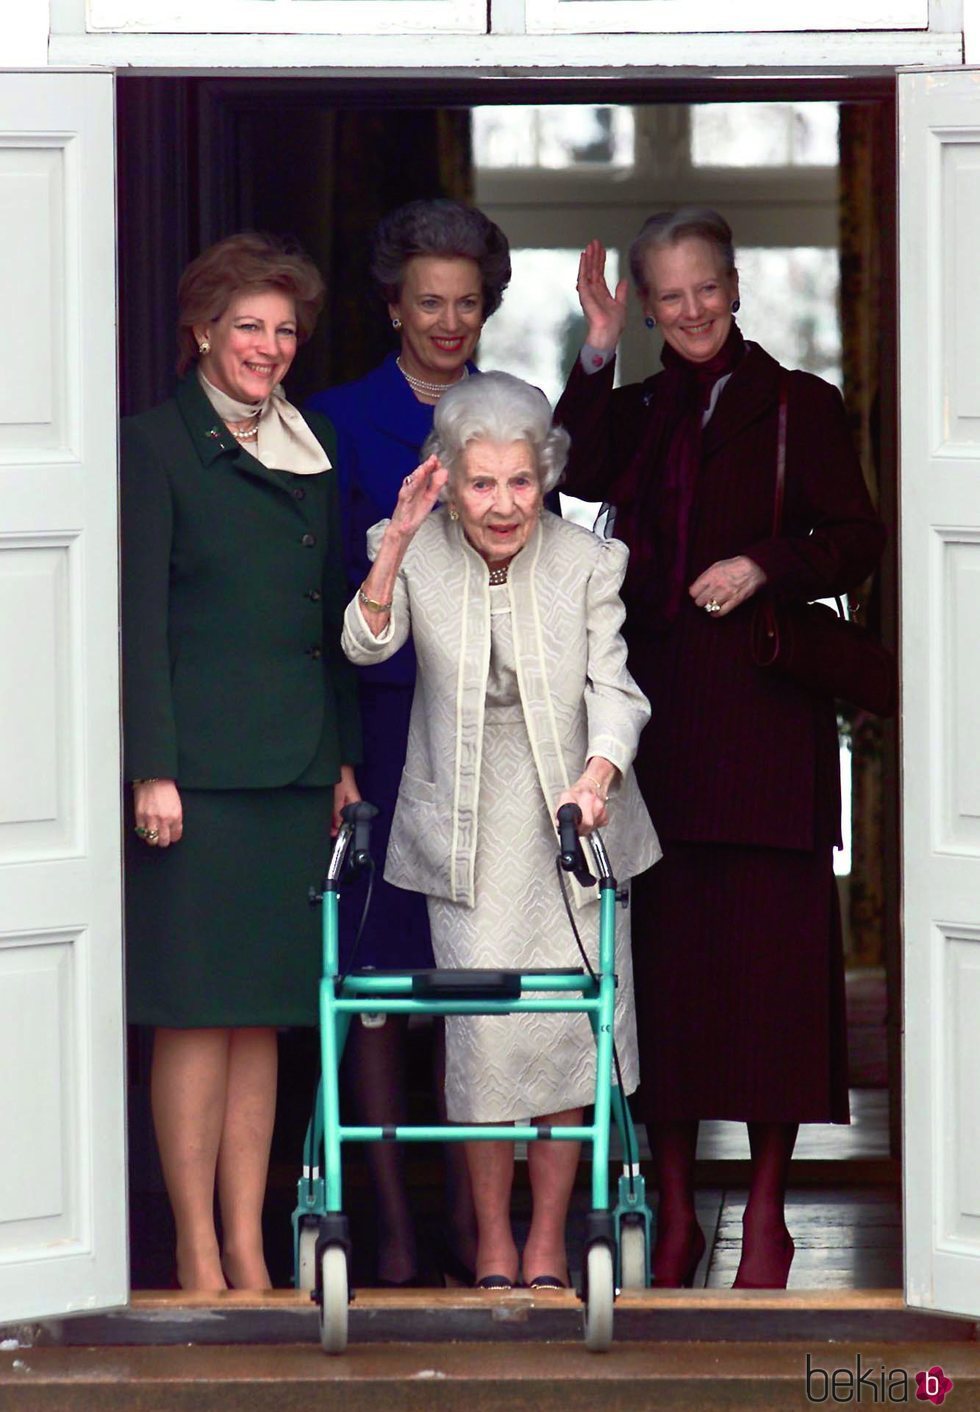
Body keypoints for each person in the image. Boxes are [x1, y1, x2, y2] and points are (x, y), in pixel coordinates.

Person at [555, 208, 886, 1289]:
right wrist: (595, 348)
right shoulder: (638, 406)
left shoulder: (801, 404)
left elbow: (856, 538)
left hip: (764, 722)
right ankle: (676, 1202)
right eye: (666, 294)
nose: (691, 309)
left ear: (734, 287)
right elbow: (574, 470)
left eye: (706, 287)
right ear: (646, 305)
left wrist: (761, 561)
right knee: (674, 979)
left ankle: (765, 1206)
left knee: (774, 981)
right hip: (655, 728)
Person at [341, 371, 660, 1290]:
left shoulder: (589, 563)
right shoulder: (410, 552)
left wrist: (597, 777)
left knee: (565, 1036)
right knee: (483, 1041)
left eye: (522, 481)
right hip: (468, 835)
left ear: (546, 474)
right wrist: (398, 541)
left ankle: (549, 1240)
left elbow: (618, 690)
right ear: (447, 477)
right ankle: (489, 1240)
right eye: (481, 483)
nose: (504, 503)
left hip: (572, 822)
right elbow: (367, 645)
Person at [121, 232, 361, 1292]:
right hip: (198, 779)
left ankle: (253, 1246)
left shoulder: (310, 449)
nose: (268, 346)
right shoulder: (152, 447)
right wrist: (149, 767)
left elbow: (324, 618)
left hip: (295, 769)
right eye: (248, 326)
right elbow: (134, 625)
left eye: (284, 330)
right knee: (193, 1009)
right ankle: (193, 1247)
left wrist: (342, 761)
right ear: (202, 331)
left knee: (265, 1013)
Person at [306, 198, 511, 1286]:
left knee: (489, 972)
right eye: (427, 302)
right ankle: (387, 1215)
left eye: (466, 304)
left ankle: (488, 1220)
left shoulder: (512, 414)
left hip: (495, 737)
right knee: (379, 987)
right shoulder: (332, 418)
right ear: (391, 304)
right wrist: (335, 748)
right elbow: (317, 599)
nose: (447, 322)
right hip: (382, 728)